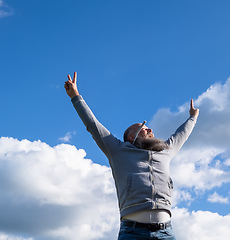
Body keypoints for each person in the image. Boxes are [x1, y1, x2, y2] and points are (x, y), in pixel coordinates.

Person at [64, 72, 199, 240]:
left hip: (166, 232)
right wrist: (75, 96)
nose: (150, 130)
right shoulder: (118, 151)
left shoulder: (164, 151)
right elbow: (93, 125)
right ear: (130, 137)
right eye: (143, 127)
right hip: (132, 232)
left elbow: (181, 135)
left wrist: (192, 117)